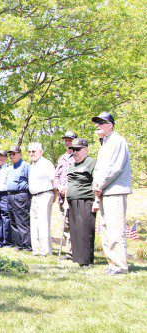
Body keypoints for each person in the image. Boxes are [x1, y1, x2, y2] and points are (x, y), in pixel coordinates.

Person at [91, 112, 132, 275]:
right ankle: (112, 263)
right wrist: (96, 185)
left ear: (110, 125)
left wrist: (100, 185)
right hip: (105, 191)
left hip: (115, 191)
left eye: (101, 122)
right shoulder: (105, 143)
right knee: (106, 229)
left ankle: (120, 265)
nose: (97, 125)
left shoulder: (117, 141)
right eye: (96, 122)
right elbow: (100, 169)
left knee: (115, 229)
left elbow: (114, 168)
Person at [66, 138, 97, 268]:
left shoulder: (91, 162)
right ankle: (78, 259)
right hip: (72, 201)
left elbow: (96, 182)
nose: (75, 152)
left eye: (78, 149)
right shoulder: (72, 165)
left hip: (85, 200)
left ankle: (86, 261)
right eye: (73, 150)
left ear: (85, 150)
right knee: (75, 230)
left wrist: (97, 201)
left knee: (85, 230)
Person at [28, 142, 57, 256]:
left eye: (34, 151)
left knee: (43, 223)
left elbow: (54, 181)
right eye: (29, 152)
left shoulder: (46, 163)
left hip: (45, 195)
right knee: (34, 224)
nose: (31, 154)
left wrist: (54, 196)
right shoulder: (32, 166)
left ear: (41, 152)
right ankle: (37, 250)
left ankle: (46, 251)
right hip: (34, 196)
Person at [55, 131, 77, 259]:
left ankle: (74, 251)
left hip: (73, 195)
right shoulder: (61, 158)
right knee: (66, 224)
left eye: (70, 140)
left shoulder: (78, 156)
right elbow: (56, 175)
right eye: (66, 140)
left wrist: (68, 188)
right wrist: (59, 187)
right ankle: (69, 252)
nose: (67, 142)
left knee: (74, 222)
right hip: (62, 196)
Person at [5, 145, 31, 252]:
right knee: (13, 221)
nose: (12, 156)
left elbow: (31, 181)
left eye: (14, 153)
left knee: (22, 221)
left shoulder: (26, 166)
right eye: (10, 154)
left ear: (20, 154)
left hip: (21, 195)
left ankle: (27, 245)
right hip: (10, 196)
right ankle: (19, 244)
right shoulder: (10, 168)